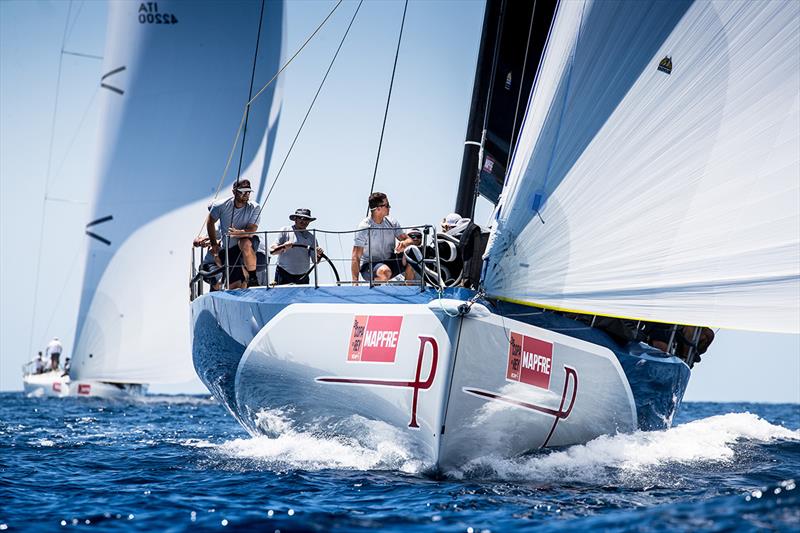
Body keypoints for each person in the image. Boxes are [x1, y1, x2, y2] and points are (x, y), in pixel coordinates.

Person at [206, 179, 261, 288]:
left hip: (247, 243)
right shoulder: (221, 205)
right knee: (234, 286)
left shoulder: (255, 207)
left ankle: (253, 278)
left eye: (248, 192)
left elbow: (252, 230)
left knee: (244, 242)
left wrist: (238, 233)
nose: (246, 194)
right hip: (229, 249)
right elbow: (210, 222)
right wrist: (213, 244)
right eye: (242, 191)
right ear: (234, 192)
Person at [351, 192, 409, 284]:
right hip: (369, 266)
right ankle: (376, 288)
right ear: (378, 209)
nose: (389, 207)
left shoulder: (392, 222)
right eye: (387, 205)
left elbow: (408, 240)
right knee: (385, 271)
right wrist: (355, 282)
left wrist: (404, 243)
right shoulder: (364, 227)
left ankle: (409, 288)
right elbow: (356, 256)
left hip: (390, 261)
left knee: (411, 254)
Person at [270, 208, 323, 285]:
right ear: (295, 219)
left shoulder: (311, 237)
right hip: (284, 273)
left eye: (307, 219)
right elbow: (272, 250)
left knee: (302, 298)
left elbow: (315, 261)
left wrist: (319, 254)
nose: (304, 221)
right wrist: (283, 247)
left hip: (303, 276)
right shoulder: (285, 230)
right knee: (282, 297)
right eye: (301, 218)